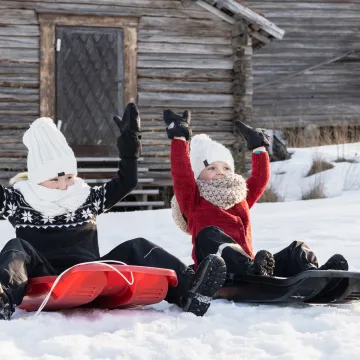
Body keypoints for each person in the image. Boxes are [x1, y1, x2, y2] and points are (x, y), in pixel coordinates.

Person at [0, 103, 226, 320]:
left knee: (138, 246)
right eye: (54, 179)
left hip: (89, 271)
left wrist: (129, 153)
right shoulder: (19, 200)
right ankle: (3, 297)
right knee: (17, 248)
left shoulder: (86, 196)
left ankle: (191, 290)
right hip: (43, 273)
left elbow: (126, 182)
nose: (63, 185)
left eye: (68, 177)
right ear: (37, 178)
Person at [164, 109, 349, 280]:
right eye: (211, 167)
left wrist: (259, 148)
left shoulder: (239, 196)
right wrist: (180, 139)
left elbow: (260, 178)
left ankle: (317, 276)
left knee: (297, 250)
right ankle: (250, 269)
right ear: (197, 174)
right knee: (209, 235)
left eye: (226, 167)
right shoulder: (194, 200)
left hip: (254, 267)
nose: (220, 172)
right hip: (219, 271)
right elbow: (181, 174)